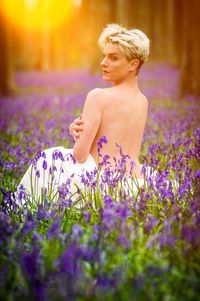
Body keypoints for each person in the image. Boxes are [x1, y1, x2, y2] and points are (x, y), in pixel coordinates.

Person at [15, 24, 150, 206]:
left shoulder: (98, 96)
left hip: (96, 185)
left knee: (46, 159)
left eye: (113, 58)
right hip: (129, 183)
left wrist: (77, 134)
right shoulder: (143, 101)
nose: (103, 62)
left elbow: (80, 155)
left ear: (133, 64)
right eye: (104, 56)